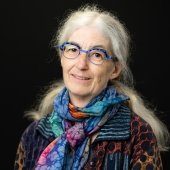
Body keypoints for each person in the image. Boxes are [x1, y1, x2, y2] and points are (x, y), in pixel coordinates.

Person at [14, 4, 170, 170]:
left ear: (115, 69)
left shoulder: (137, 134)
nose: (81, 64)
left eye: (97, 54)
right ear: (62, 57)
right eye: (73, 49)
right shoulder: (35, 134)